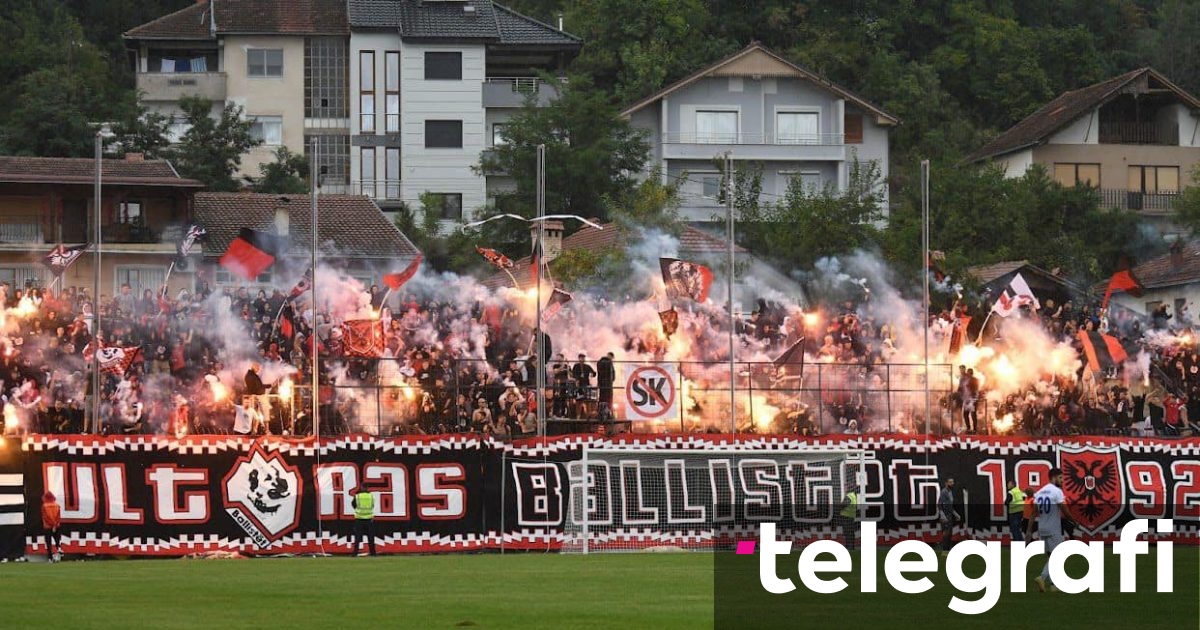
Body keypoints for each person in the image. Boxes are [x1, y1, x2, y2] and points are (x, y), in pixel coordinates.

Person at [1028, 468, 1075, 593]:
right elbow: (1064, 510)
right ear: (1053, 477)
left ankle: (1053, 585)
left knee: (1051, 556)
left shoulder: (1039, 492)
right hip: (1053, 528)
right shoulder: (1057, 492)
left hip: (1042, 528)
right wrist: (1075, 522)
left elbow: (1033, 513)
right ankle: (1042, 577)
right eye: (1060, 478)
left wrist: (1028, 531)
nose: (1062, 481)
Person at [350, 486, 377, 557]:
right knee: (371, 537)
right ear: (368, 488)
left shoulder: (358, 496)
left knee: (358, 537)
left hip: (359, 518)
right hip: (369, 519)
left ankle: (355, 553)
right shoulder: (371, 496)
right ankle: (373, 553)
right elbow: (373, 505)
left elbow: (353, 505)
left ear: (361, 488)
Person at [938, 478, 961, 555]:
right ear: (946, 483)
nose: (952, 483)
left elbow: (950, 506)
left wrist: (955, 514)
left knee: (950, 533)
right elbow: (940, 504)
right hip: (945, 515)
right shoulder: (944, 492)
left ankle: (947, 550)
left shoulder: (950, 492)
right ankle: (945, 550)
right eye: (950, 482)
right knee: (946, 533)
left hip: (950, 515)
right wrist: (942, 515)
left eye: (953, 482)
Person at [838, 484, 860, 551]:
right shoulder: (854, 496)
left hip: (846, 516)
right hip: (851, 516)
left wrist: (839, 507)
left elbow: (844, 504)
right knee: (850, 532)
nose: (846, 488)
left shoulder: (849, 496)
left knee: (847, 532)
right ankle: (851, 546)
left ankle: (849, 546)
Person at [41, 491, 62, 562]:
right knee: (57, 539)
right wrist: (55, 525)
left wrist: (52, 525)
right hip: (56, 526)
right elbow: (58, 517)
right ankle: (58, 547)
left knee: (48, 542)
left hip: (47, 527)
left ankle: (50, 557)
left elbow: (46, 517)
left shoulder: (44, 506)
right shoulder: (57, 505)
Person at [597, 352, 615, 420]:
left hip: (602, 384)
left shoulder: (599, 362)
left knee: (602, 398)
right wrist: (611, 380)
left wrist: (599, 382)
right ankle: (608, 414)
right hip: (608, 384)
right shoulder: (609, 363)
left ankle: (601, 413)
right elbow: (612, 375)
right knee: (609, 399)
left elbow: (599, 374)